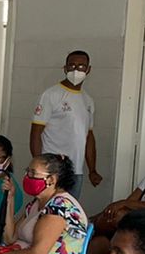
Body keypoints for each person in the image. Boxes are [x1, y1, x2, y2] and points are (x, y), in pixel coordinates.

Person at [30, 49, 101, 195]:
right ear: (65, 68)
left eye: (81, 66)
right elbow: (36, 133)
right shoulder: (51, 95)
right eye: (72, 66)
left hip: (76, 171)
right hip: (52, 170)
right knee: (49, 206)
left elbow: (88, 136)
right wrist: (39, 166)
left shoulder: (88, 100)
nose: (76, 70)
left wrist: (92, 169)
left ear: (88, 70)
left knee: (69, 207)